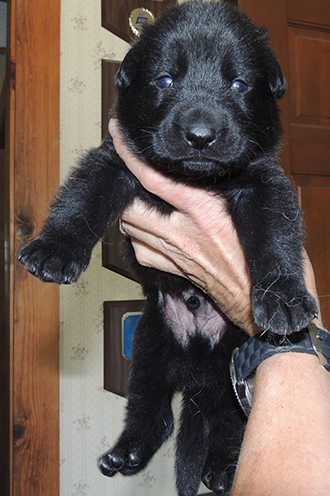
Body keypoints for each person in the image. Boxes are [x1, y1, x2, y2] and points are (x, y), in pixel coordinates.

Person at [110, 119, 330, 495]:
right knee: (177, 387)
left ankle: (218, 459)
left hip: (238, 339)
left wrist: (278, 326)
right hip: (181, 313)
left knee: (216, 405)